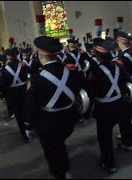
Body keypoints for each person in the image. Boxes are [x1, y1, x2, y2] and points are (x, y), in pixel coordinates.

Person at [24, 36, 81, 179]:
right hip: (69, 118)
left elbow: (31, 104)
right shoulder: (69, 71)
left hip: (49, 123)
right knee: (60, 145)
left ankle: (60, 174)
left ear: (41, 55)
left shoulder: (37, 78)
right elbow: (77, 89)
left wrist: (28, 124)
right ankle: (65, 169)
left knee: (52, 151)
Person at [87, 38, 132, 173]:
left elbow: (91, 92)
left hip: (104, 108)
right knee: (125, 123)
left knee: (105, 136)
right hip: (119, 103)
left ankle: (109, 163)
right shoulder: (118, 65)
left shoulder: (95, 71)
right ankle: (127, 144)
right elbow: (127, 82)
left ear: (98, 54)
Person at [0, 47, 29, 141]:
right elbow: (31, 73)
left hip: (13, 95)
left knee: (19, 115)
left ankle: (24, 135)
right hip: (25, 91)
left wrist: (5, 96)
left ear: (7, 57)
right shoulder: (23, 65)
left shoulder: (4, 69)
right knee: (28, 111)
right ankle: (30, 129)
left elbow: (2, 85)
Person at [115, 31, 132, 151]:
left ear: (121, 42)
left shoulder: (122, 58)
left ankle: (126, 142)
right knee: (129, 113)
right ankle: (128, 136)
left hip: (126, 89)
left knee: (124, 117)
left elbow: (120, 76)